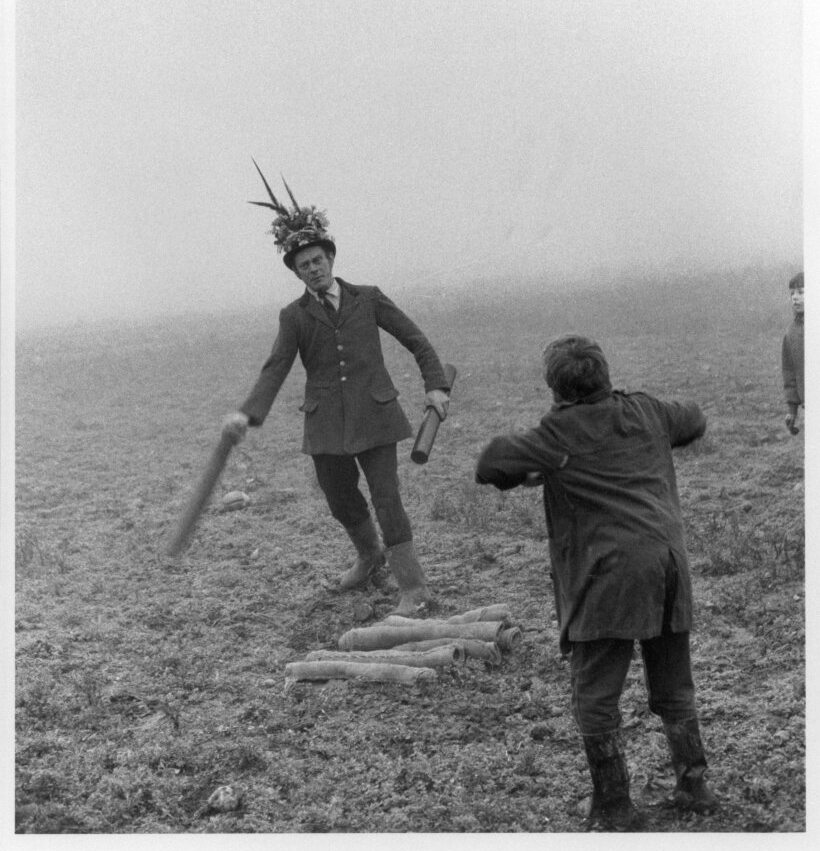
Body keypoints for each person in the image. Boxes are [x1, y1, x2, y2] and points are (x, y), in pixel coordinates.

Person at [475, 335, 719, 832]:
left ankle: (614, 804)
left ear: (556, 390)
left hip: (604, 577)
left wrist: (538, 469)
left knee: (596, 693)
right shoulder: (648, 411)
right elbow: (693, 416)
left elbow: (491, 463)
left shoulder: (556, 434)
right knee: (674, 683)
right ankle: (694, 786)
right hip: (667, 566)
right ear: (605, 375)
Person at [220, 163, 451, 615]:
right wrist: (246, 414)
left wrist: (436, 386)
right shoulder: (294, 316)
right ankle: (369, 558)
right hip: (325, 424)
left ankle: (414, 587)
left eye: (317, 261)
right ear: (297, 273)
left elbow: (416, 341)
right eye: (303, 266)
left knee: (387, 499)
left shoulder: (369, 297)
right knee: (340, 498)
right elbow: (275, 368)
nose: (312, 270)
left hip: (376, 414)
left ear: (331, 258)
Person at [782, 270, 804, 435]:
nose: (795, 297)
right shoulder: (791, 333)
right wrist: (792, 409)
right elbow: (789, 372)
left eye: (801, 292)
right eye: (792, 293)